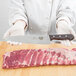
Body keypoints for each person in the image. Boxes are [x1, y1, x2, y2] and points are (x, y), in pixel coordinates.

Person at [4, 0, 76, 46]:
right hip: (27, 42)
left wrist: (63, 23)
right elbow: (17, 9)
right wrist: (19, 24)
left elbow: (67, 9)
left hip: (58, 40)